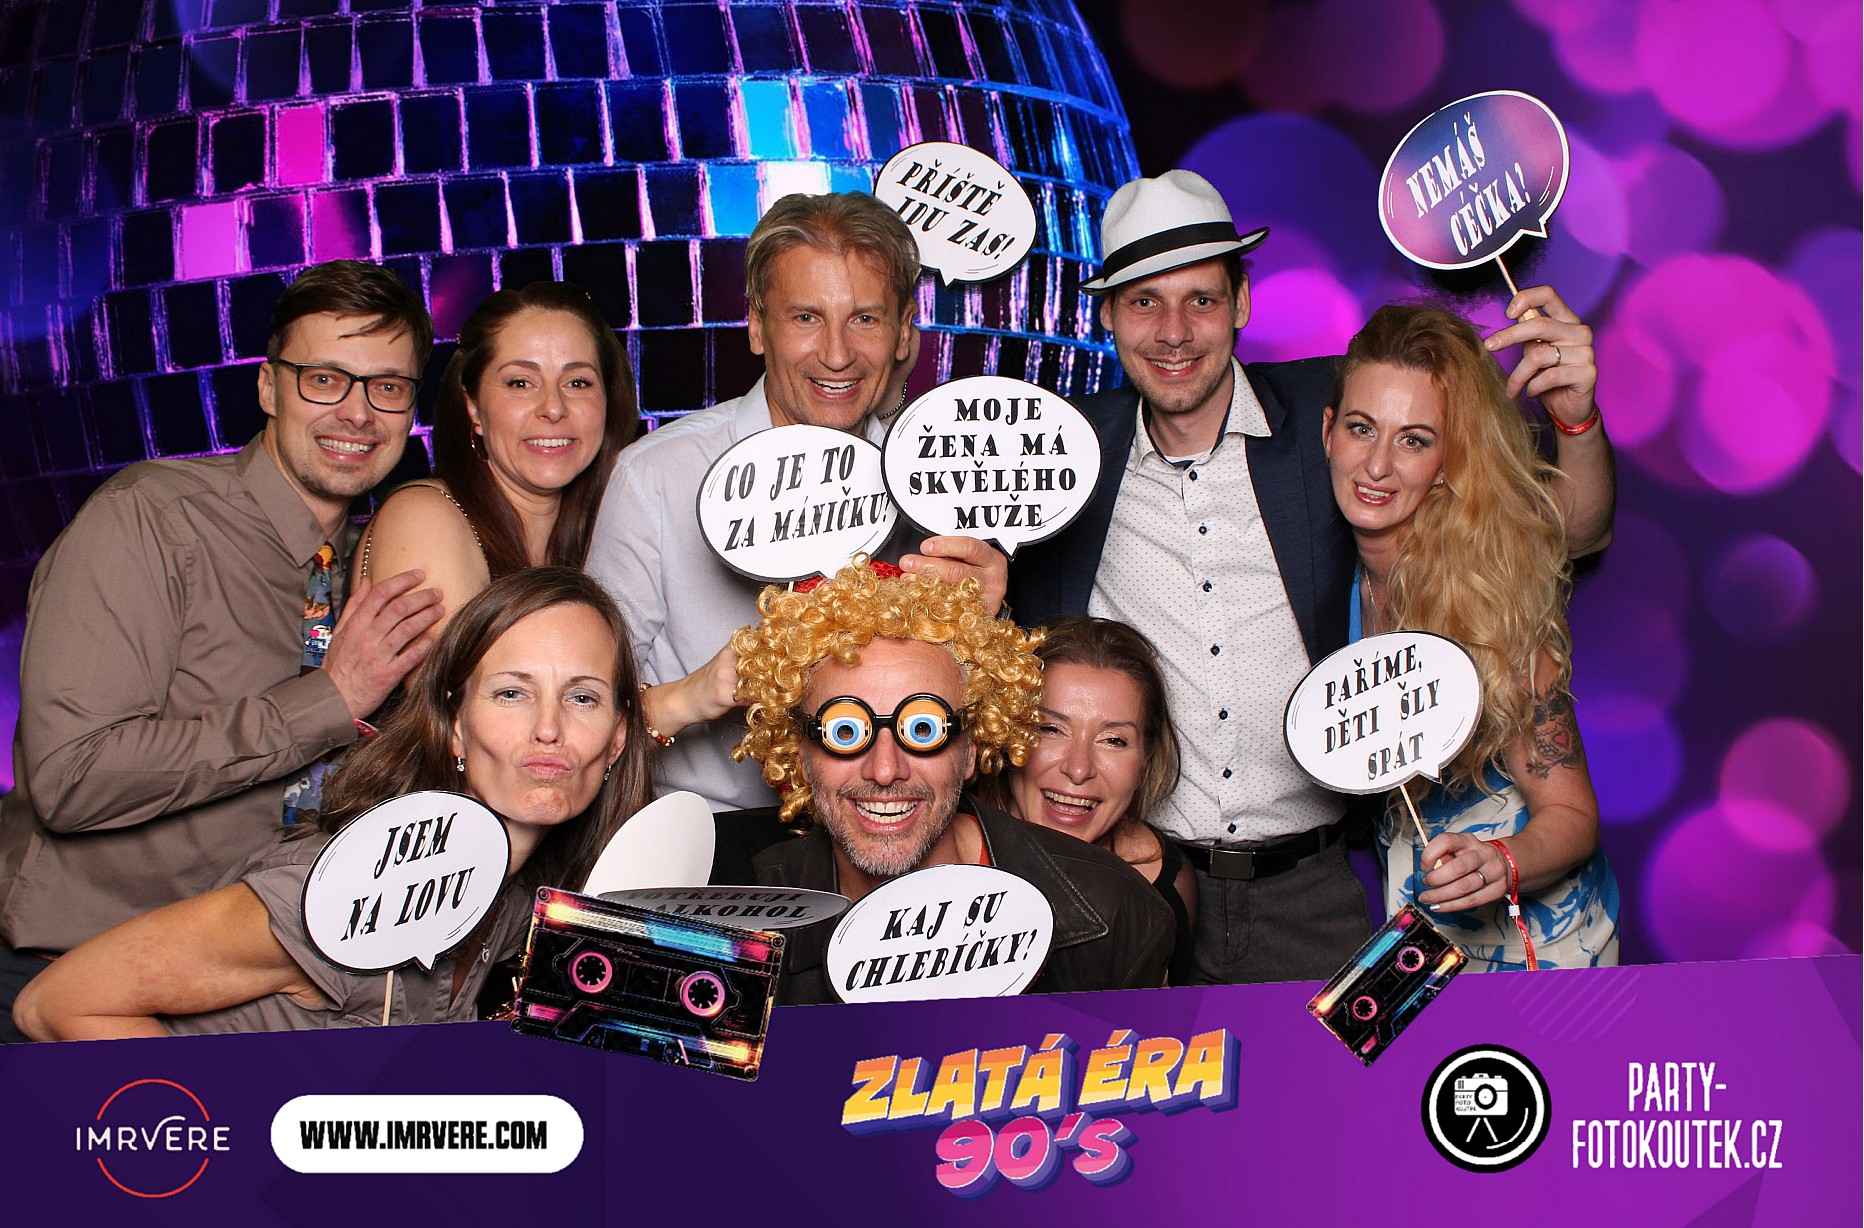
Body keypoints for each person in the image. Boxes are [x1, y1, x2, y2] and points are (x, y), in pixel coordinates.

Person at [1007, 170, 1619, 984]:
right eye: (1144, 302)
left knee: (1358, 1064)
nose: (1174, 331)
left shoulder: (1337, 415)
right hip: (1149, 879)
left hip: (1319, 886)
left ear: (1241, 303)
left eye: (1201, 299)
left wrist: (1575, 417)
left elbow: (1565, 530)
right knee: (1140, 1067)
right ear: (1107, 317)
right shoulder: (1060, 458)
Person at [0, 260, 445, 1041]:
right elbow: (71, 778)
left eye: (387, 387)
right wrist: (326, 702)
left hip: (238, 1000)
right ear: (269, 388)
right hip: (62, 982)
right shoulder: (149, 520)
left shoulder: (378, 564)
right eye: (324, 380)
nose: (357, 413)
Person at [13, 569, 654, 1039]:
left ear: (618, 737)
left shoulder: (511, 902)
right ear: (456, 727)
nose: (549, 729)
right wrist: (241, 1152)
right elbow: (59, 1003)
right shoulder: (342, 890)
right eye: (512, 693)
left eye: (583, 698)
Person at [586, 192, 1008, 814]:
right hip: (710, 838)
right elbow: (581, 719)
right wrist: (696, 694)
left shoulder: (941, 483)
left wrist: (987, 631)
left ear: (902, 333)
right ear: (758, 327)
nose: (837, 354)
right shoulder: (657, 477)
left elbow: (975, 741)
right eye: (806, 317)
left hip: (893, 828)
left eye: (865, 319)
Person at [724, 561, 1174, 1005]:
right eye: (845, 732)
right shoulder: (736, 925)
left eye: (923, 730)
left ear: (972, 748)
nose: (885, 770)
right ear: (800, 752)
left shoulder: (1114, 913)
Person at [1323, 305, 1619, 970]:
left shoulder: (1490, 600)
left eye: (1414, 440)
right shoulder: (1323, 582)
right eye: (1362, 429)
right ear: (1328, 433)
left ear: (1447, 460)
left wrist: (1505, 861)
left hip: (1543, 945)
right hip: (1419, 944)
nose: (1377, 466)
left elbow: (1572, 816)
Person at [354, 282, 640, 626]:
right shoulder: (423, 517)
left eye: (578, 383)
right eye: (520, 383)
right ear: (473, 407)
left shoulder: (613, 527)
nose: (553, 408)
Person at [979, 617, 1197, 984]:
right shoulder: (947, 857)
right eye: (1050, 729)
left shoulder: (1162, 882)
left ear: (1145, 759)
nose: (1079, 769)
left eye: (1113, 740)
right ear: (1006, 732)